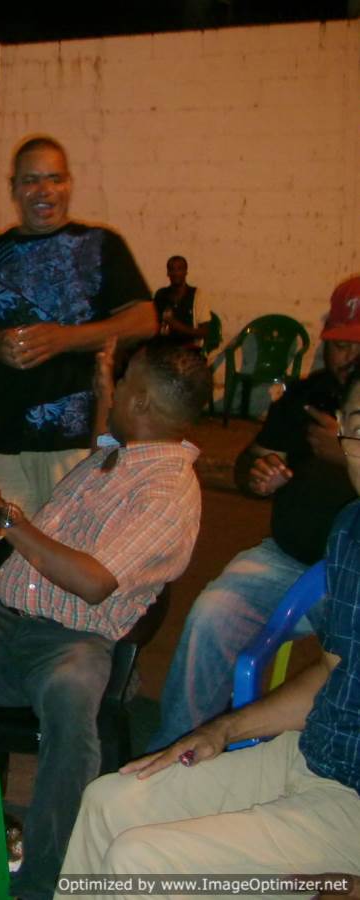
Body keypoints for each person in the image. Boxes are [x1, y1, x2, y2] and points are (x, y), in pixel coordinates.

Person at [0, 341, 212, 899]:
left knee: (70, 696)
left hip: (75, 640)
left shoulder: (168, 492)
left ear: (142, 403)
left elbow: (94, 582)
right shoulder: (115, 453)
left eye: (123, 382)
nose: (110, 390)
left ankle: (45, 878)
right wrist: (105, 381)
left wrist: (2, 516)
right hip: (4, 619)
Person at [60, 366, 360, 888]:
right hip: (309, 755)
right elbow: (333, 674)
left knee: (140, 859)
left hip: (351, 806)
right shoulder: (351, 528)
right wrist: (222, 728)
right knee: (108, 801)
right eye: (359, 425)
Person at [149, 278, 360, 750]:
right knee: (211, 613)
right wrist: (257, 475)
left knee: (347, 666)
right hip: (286, 559)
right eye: (341, 344)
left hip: (352, 574)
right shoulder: (309, 397)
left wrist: (344, 450)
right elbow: (250, 460)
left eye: (358, 345)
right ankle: (175, 746)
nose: (349, 357)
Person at [0, 135, 156, 518]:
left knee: (67, 546)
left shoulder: (101, 245)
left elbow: (145, 320)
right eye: (31, 180)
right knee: (1, 547)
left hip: (80, 442)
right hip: (5, 441)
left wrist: (64, 339)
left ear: (68, 185)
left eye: (54, 178)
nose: (43, 190)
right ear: (14, 188)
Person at [153, 255, 211, 348]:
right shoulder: (161, 295)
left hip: (189, 349)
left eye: (179, 269)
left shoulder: (198, 295)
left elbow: (204, 332)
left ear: (186, 272)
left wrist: (177, 326)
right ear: (168, 273)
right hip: (163, 348)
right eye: (172, 269)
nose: (176, 273)